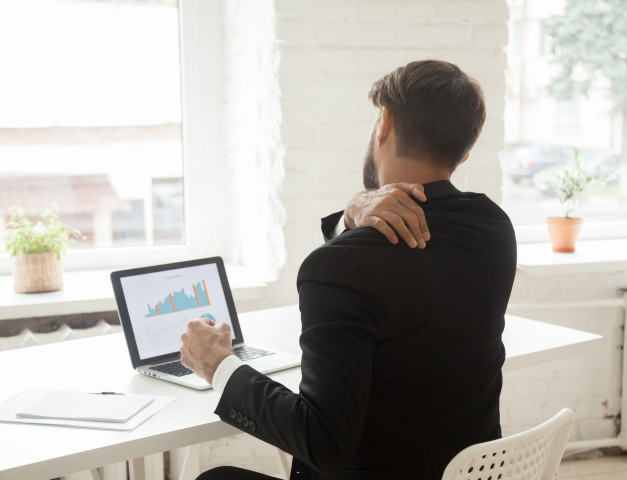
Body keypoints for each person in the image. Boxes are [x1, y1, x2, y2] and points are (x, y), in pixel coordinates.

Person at [180, 60, 517, 480]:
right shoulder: (494, 228)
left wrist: (218, 365)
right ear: (465, 152)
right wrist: (351, 217)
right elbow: (387, 274)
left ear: (384, 123)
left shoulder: (338, 267)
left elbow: (324, 442)